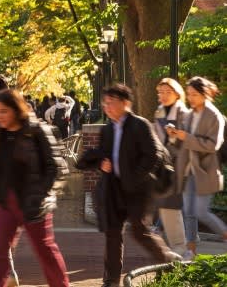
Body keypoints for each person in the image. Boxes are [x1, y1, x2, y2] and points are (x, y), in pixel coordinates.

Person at [76, 84, 181, 287]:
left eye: (111, 102)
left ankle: (167, 262)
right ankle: (111, 281)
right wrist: (101, 164)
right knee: (112, 234)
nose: (107, 106)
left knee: (139, 230)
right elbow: (103, 154)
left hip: (137, 189)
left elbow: (153, 155)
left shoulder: (139, 125)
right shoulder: (108, 129)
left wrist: (133, 177)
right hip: (114, 189)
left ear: (126, 103)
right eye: (105, 102)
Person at [0, 89, 69, 287]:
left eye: (4, 111)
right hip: (6, 201)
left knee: (46, 253)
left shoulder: (36, 130)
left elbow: (57, 167)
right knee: (0, 256)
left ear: (17, 110)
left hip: (33, 203)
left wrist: (41, 195)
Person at [166, 76, 227, 255]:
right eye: (189, 94)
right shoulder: (190, 114)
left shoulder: (214, 115)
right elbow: (184, 142)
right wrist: (175, 134)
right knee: (188, 212)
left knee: (201, 212)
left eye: (194, 94)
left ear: (204, 94)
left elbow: (212, 145)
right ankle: (190, 250)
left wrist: (186, 137)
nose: (190, 98)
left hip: (205, 171)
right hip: (187, 170)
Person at [151, 78, 191, 260]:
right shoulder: (159, 111)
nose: (163, 95)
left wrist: (174, 137)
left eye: (167, 92)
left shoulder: (184, 112)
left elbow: (190, 140)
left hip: (180, 166)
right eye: (160, 92)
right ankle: (179, 248)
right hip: (164, 166)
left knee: (171, 205)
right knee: (167, 206)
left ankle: (181, 249)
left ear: (177, 93)